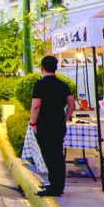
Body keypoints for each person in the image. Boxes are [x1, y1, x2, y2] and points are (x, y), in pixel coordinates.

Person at [30, 56, 75, 197]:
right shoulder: (63, 85)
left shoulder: (40, 85)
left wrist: (33, 122)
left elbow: (36, 106)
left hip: (44, 124)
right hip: (58, 124)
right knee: (58, 155)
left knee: (49, 156)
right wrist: (65, 118)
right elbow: (71, 105)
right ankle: (58, 185)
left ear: (42, 68)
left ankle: (54, 188)